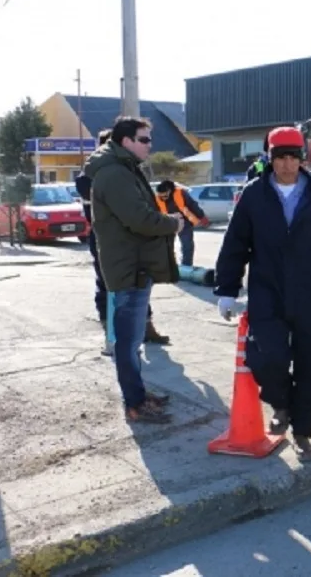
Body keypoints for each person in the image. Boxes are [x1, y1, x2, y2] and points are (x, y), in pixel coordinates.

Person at [214, 126, 311, 461]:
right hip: (268, 292)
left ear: (303, 159)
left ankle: (304, 429)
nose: (287, 165)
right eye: (280, 158)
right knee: (268, 357)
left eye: (293, 157)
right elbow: (235, 244)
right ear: (270, 158)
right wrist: (227, 289)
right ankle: (280, 405)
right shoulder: (254, 195)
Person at [84, 116, 185, 424]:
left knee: (133, 341)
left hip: (135, 266)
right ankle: (135, 404)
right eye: (144, 139)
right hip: (129, 270)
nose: (150, 145)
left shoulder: (124, 169)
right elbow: (139, 218)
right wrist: (174, 223)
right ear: (125, 141)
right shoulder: (114, 173)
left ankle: (138, 395)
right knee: (127, 344)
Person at [77, 130, 171, 357]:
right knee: (109, 288)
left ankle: (145, 327)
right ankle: (112, 336)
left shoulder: (128, 172)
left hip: (133, 239)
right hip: (106, 240)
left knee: (140, 284)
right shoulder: (90, 176)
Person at [154, 179, 208, 266]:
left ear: (170, 191)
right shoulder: (157, 198)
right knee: (167, 247)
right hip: (168, 223)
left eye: (165, 196)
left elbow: (192, 205)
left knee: (187, 247)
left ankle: (186, 266)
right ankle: (169, 266)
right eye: (161, 196)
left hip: (185, 223)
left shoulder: (180, 193)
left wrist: (202, 216)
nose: (163, 198)